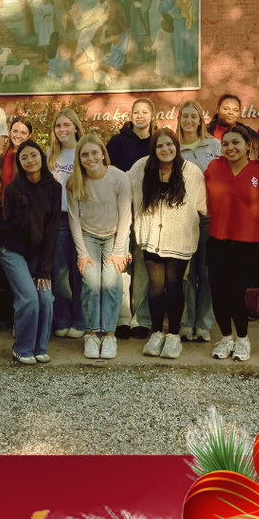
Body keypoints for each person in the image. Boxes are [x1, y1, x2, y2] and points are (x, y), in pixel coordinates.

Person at [129, 128, 207, 360]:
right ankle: (156, 333)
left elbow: (202, 205)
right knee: (155, 286)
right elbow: (125, 190)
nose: (165, 149)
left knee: (174, 286)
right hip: (151, 238)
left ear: (177, 146)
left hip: (179, 239)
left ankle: (173, 336)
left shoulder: (191, 172)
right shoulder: (141, 168)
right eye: (160, 146)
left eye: (169, 145)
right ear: (154, 149)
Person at [204, 124, 259, 363]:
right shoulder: (214, 167)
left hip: (248, 242)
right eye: (225, 144)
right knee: (218, 292)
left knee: (235, 293)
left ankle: (243, 339)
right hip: (218, 239)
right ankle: (226, 337)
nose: (230, 148)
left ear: (248, 146)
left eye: (236, 143)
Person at [67, 134, 132, 360]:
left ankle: (109, 334)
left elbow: (126, 217)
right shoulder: (74, 181)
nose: (91, 158)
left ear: (103, 154)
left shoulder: (119, 178)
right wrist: (82, 254)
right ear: (80, 159)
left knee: (113, 282)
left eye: (95, 152)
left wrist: (119, 251)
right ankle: (93, 333)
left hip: (115, 236)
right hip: (89, 236)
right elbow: (74, 219)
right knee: (92, 282)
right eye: (85, 154)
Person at [0, 140, 61, 364]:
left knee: (46, 297)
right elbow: (12, 227)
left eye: (33, 155)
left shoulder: (54, 188)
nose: (30, 160)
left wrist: (44, 269)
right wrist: (22, 210)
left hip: (37, 253)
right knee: (29, 298)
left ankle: (39, 347)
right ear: (20, 163)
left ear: (41, 158)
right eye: (24, 158)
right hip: (12, 250)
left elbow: (53, 230)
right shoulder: (14, 188)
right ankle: (22, 349)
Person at [106, 98, 154, 339]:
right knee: (122, 264)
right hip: (121, 211)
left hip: (149, 212)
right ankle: (122, 317)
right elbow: (107, 173)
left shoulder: (157, 143)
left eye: (145, 112)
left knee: (144, 266)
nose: (140, 116)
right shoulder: (117, 142)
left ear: (152, 116)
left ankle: (141, 319)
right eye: (136, 112)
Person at [176, 100, 221, 342]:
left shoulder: (213, 144)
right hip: (181, 219)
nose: (189, 121)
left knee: (206, 272)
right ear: (179, 120)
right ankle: (186, 322)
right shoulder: (174, 145)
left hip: (208, 218)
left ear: (201, 119)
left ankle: (204, 323)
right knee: (185, 273)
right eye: (185, 116)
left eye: (194, 116)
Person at [48, 109, 85, 339]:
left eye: (66, 125)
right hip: (59, 219)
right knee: (59, 273)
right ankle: (61, 318)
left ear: (76, 127)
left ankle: (80, 320)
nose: (62, 129)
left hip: (82, 218)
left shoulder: (84, 151)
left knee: (80, 272)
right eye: (58, 126)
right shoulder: (50, 155)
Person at [0, 116, 33, 197]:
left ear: (29, 136)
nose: (18, 135)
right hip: (5, 206)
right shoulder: (1, 158)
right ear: (10, 132)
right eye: (15, 131)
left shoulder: (35, 159)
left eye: (23, 133)